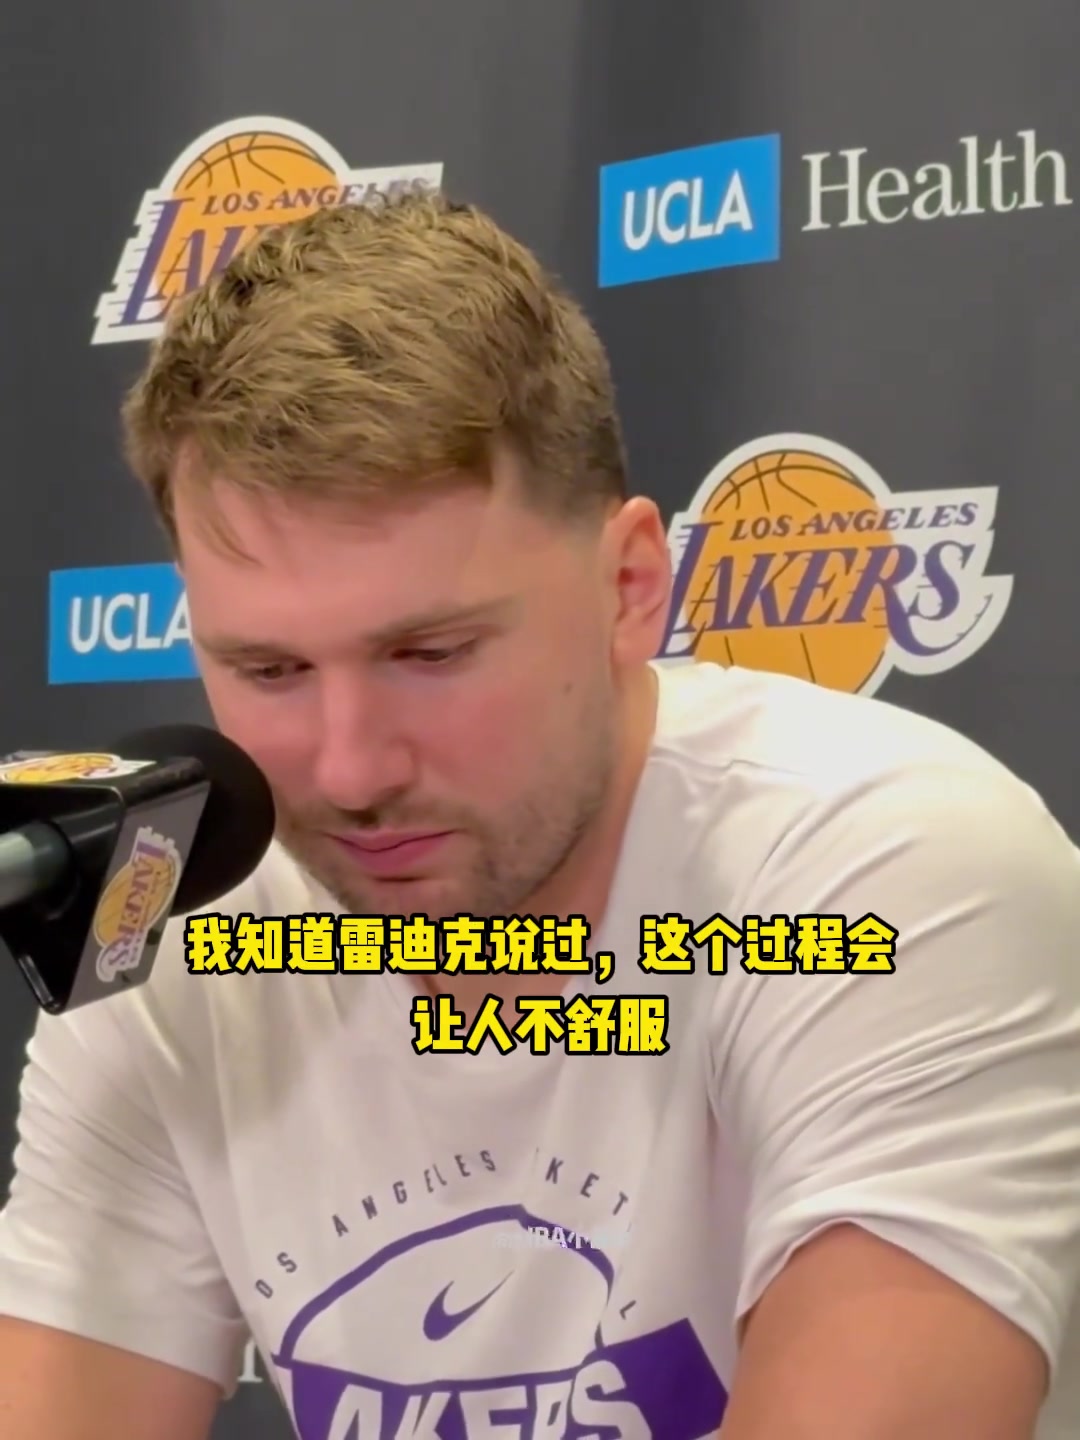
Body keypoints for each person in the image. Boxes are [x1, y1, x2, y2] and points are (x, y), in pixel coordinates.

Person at [0, 189, 1078, 1440]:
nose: (349, 772)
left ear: (630, 586)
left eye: (431, 654)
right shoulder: (176, 933)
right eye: (270, 671)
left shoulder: (886, 870)